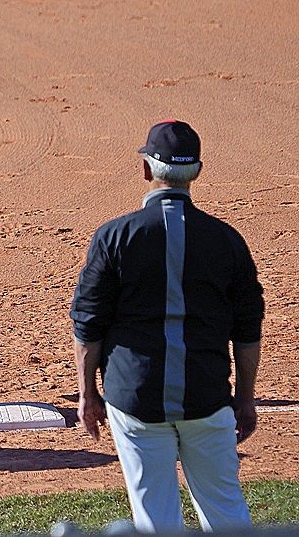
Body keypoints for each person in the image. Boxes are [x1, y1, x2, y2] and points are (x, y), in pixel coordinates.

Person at [71, 120, 264, 532]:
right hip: (206, 396)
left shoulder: (114, 236)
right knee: (226, 512)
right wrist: (245, 399)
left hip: (134, 399)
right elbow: (248, 329)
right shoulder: (227, 240)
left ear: (146, 169)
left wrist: (88, 394)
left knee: (154, 520)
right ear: (197, 172)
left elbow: (88, 325)